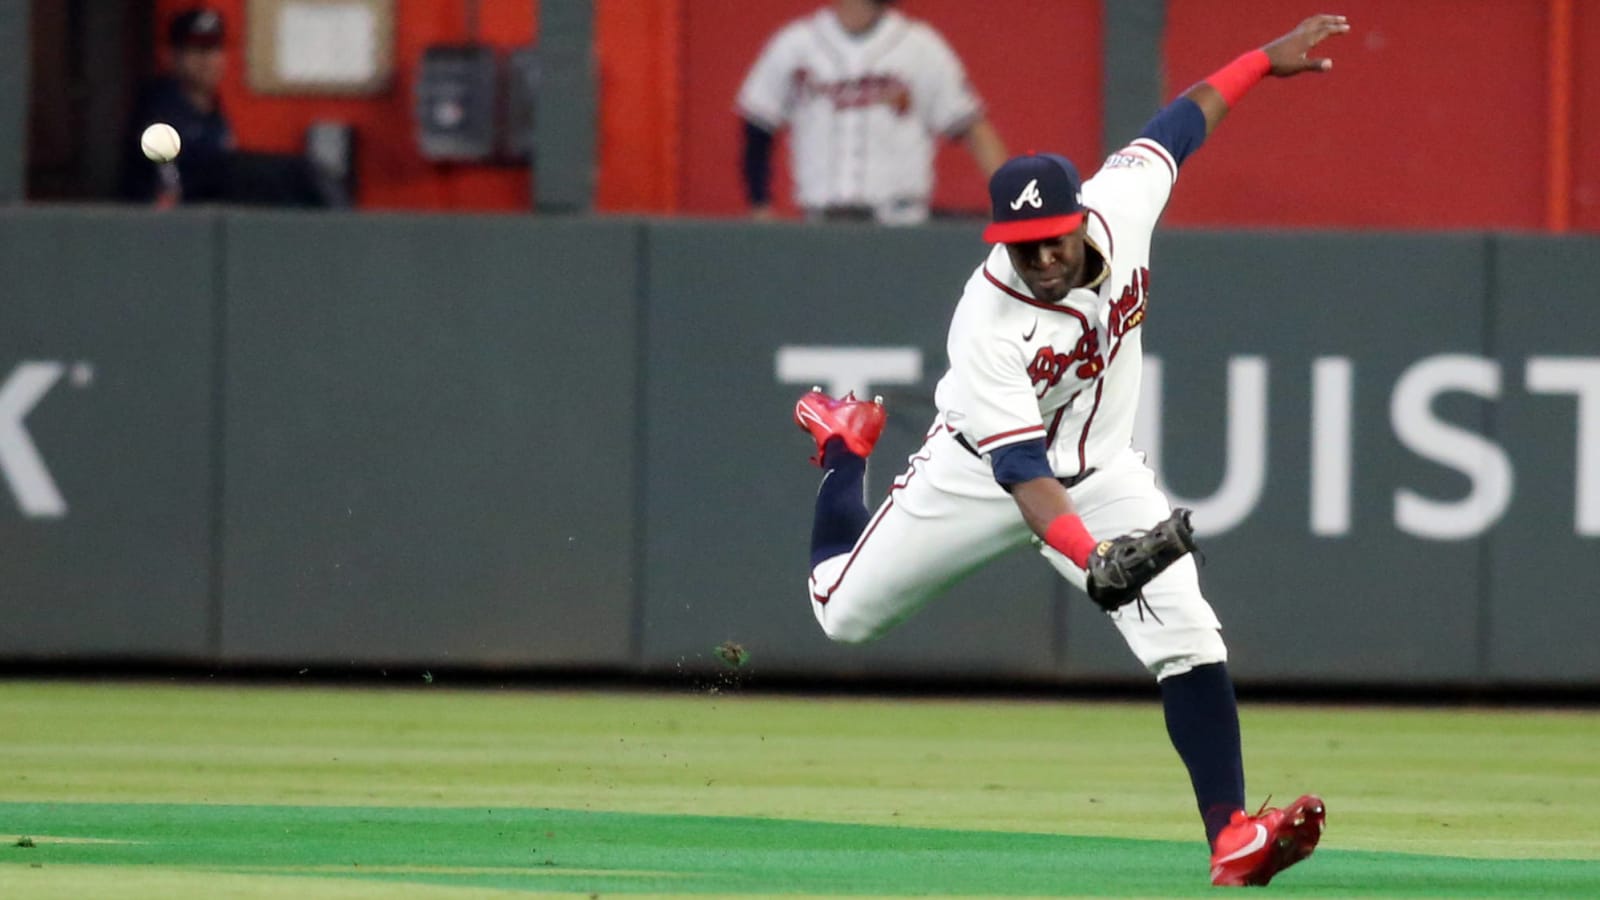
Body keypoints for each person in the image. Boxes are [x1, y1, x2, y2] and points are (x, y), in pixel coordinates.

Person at [791, 14, 1351, 888]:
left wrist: (1257, 64)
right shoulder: (987, 323)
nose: (1039, 258)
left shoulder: (1121, 203)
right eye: (1018, 247)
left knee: (1188, 635)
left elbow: (1178, 126)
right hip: (978, 475)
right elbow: (1021, 474)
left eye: (1050, 237)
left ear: (1078, 217)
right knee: (843, 613)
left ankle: (1232, 836)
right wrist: (1094, 561)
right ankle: (840, 446)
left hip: (1104, 471)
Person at [737, 0, 1007, 225]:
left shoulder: (920, 46)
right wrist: (760, 205)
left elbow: (973, 128)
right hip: (819, 226)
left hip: (901, 223)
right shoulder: (796, 44)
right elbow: (758, 128)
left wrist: (1011, 202)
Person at [121, 7, 333, 208]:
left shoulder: (214, 113)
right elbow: (166, 196)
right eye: (196, 50)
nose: (207, 60)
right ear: (173, 56)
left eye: (214, 49)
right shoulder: (160, 110)